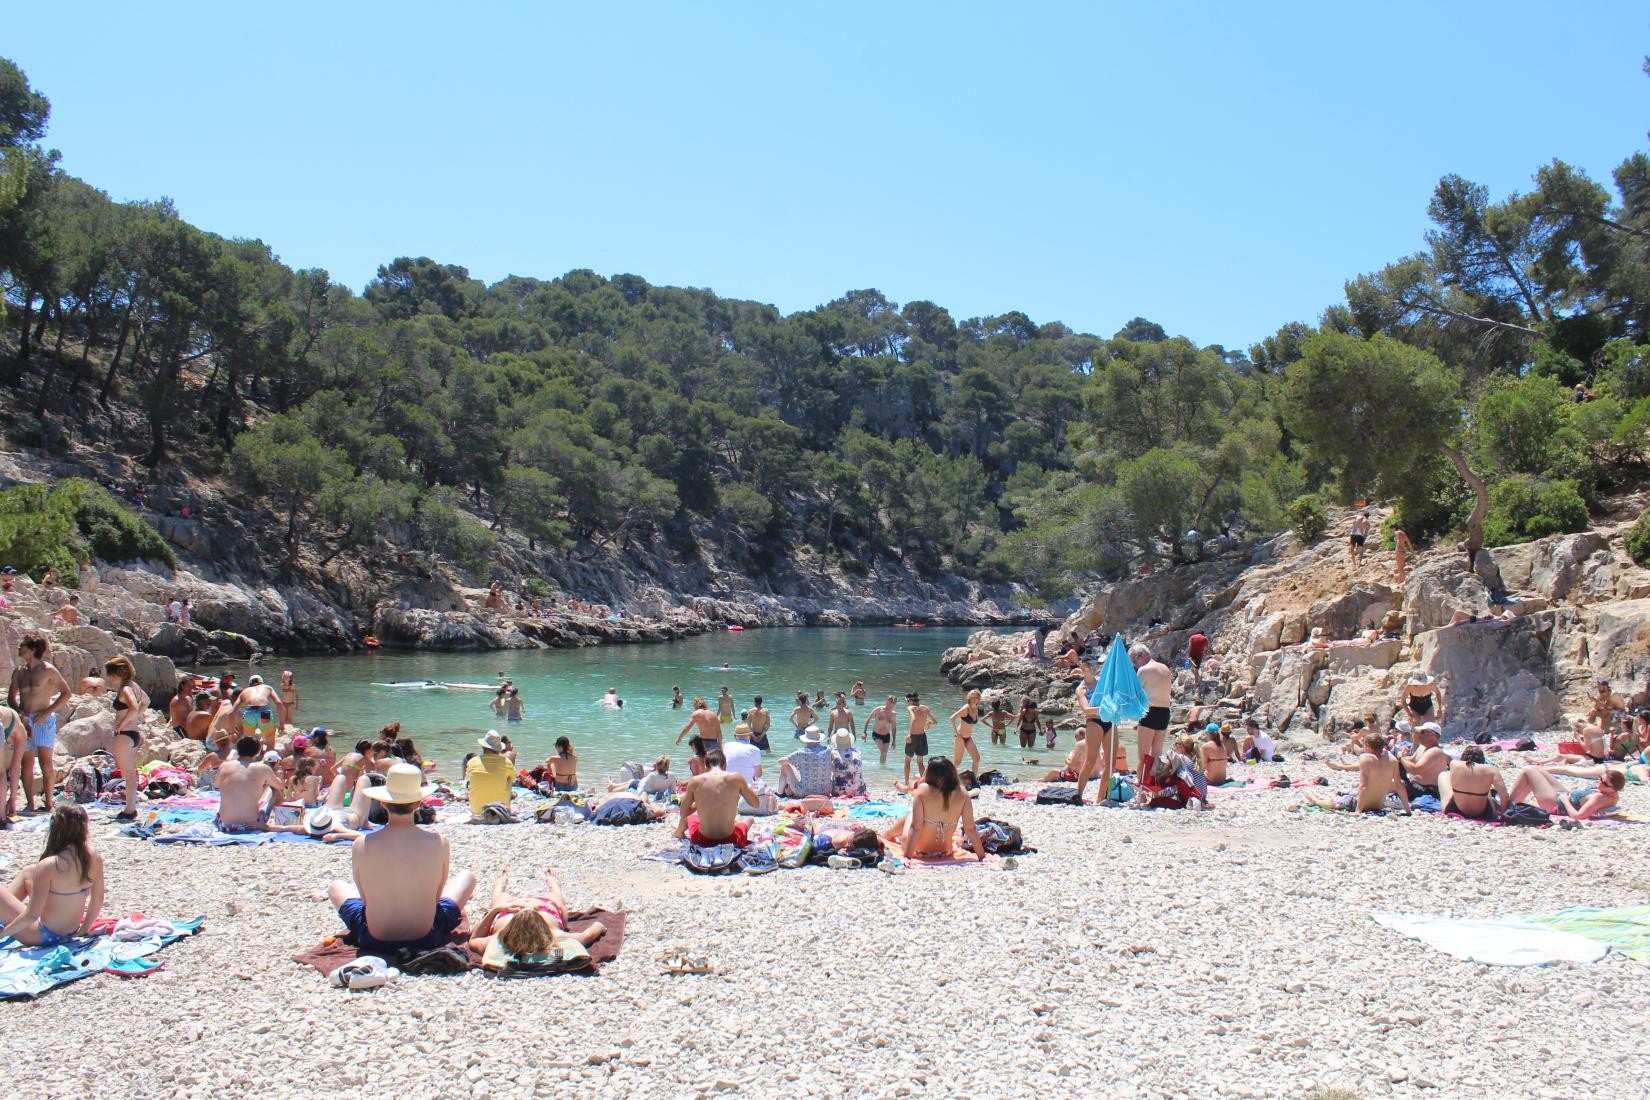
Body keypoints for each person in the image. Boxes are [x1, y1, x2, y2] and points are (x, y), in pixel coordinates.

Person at [328, 763, 477, 954]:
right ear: (418, 803)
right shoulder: (439, 842)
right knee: (467, 877)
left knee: (337, 886)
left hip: (373, 937)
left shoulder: (362, 843)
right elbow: (437, 897)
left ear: (382, 803)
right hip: (427, 935)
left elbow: (365, 899)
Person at [0, 804, 104, 946]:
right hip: (70, 933)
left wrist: (4, 933)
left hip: (43, 935)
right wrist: (84, 928)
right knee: (29, 872)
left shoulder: (50, 865)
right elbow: (98, 898)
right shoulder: (93, 855)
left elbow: (32, 915)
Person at [467, 868, 608, 970]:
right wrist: (599, 926)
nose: (528, 906)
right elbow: (589, 933)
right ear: (542, 925)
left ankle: (499, 884)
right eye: (535, 913)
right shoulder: (556, 935)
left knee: (499, 897)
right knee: (556, 896)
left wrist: (496, 911)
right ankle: (553, 884)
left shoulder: (498, 939)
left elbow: (473, 940)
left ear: (511, 928)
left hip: (506, 912)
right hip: (547, 907)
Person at [9, 633, 72, 815]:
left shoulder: (48, 670)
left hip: (43, 720)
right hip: (25, 720)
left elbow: (66, 693)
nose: (19, 648)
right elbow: (11, 697)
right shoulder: (19, 671)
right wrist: (19, 713)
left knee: (46, 762)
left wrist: (47, 712)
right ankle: (30, 803)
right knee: (25, 762)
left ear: (33, 649)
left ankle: (49, 802)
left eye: (23, 645)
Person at [883, 758, 987, 861]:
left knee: (911, 815)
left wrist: (907, 857)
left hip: (917, 852)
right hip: (945, 852)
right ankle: (889, 834)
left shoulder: (923, 790)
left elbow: (916, 827)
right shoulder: (962, 792)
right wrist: (982, 857)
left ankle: (888, 834)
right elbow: (970, 829)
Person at [675, 747, 760, 847]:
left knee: (689, 818)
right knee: (749, 820)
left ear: (706, 766)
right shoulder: (737, 778)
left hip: (702, 841)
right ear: (725, 765)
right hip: (731, 841)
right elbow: (756, 804)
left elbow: (683, 813)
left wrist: (699, 803)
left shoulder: (695, 781)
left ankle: (678, 833)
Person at [1309, 732, 1410, 813]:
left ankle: (1316, 799)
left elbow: (1363, 786)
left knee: (1318, 798)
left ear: (1368, 746)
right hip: (1378, 804)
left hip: (1361, 804)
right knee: (1344, 795)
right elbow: (1398, 784)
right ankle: (1322, 797)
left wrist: (1358, 811)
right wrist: (1407, 809)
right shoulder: (1392, 759)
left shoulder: (1366, 759)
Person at [101, 656, 150, 821]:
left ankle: (129, 810)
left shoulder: (125, 689)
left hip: (125, 735)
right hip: (134, 734)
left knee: (127, 775)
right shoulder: (134, 686)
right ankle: (130, 807)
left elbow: (134, 706)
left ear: (117, 673)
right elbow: (146, 702)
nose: (109, 678)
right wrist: (134, 717)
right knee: (130, 774)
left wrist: (122, 723)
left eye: (110, 674)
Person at [215, 736, 288, 832]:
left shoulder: (224, 766)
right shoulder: (262, 768)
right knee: (273, 789)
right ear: (258, 751)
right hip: (251, 825)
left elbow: (217, 785)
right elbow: (280, 785)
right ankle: (285, 817)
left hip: (224, 825)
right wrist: (279, 773)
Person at [1507, 765, 1624, 820]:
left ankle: (1506, 805)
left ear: (1613, 788)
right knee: (1536, 769)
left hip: (1557, 804)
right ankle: (1513, 803)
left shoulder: (1598, 798)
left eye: (1604, 783)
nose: (1600, 783)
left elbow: (1578, 816)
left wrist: (1565, 801)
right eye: (1600, 779)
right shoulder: (1613, 794)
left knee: (1528, 771)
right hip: (1564, 795)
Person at [1132, 644, 1172, 779]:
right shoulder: (1165, 668)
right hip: (1165, 713)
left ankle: (1141, 793)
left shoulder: (1144, 670)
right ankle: (1156, 792)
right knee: (1157, 757)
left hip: (1150, 712)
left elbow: (1135, 695)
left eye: (1134, 660)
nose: (1135, 664)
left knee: (1143, 757)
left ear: (1142, 655)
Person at [1436, 746, 1507, 820]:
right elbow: (1504, 796)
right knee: (1486, 786)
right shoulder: (1491, 769)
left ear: (1463, 758)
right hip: (1485, 813)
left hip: (1455, 809)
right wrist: (1503, 813)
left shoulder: (1454, 764)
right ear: (1482, 760)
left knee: (1443, 775)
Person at [466, 730, 516, 814]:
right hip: (500, 810)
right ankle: (501, 801)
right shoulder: (506, 762)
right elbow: (513, 778)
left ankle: (479, 802)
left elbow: (468, 780)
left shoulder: (472, 762)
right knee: (509, 778)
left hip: (476, 811)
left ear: (483, 746)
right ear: (499, 748)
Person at [1398, 722, 1449, 799]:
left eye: (1422, 732)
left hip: (1427, 791)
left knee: (1393, 784)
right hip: (1415, 785)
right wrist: (1401, 756)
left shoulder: (1435, 751)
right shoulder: (1422, 747)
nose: (1419, 735)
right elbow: (1412, 760)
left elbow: (1415, 770)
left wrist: (1401, 758)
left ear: (1432, 735)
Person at [779, 727, 835, 798]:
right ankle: (787, 790)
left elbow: (780, 761)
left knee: (785, 765)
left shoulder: (801, 752)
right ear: (819, 739)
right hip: (826, 792)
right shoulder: (828, 751)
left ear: (805, 740)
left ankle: (780, 793)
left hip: (805, 793)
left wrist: (792, 762)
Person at [234, 674, 282, 750]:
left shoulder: (245, 691)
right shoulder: (267, 687)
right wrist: (282, 724)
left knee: (249, 741)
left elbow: (233, 711)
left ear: (250, 684)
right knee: (269, 741)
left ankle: (250, 758)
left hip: (250, 713)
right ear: (262, 682)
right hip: (264, 712)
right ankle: (268, 757)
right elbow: (279, 703)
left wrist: (232, 728)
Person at [949, 689, 984, 776]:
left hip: (968, 738)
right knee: (957, 762)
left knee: (977, 758)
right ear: (969, 697)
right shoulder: (966, 708)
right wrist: (956, 733)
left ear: (979, 699)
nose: (975, 699)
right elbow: (952, 718)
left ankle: (974, 779)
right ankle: (945, 778)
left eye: (977, 697)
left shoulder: (976, 709)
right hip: (960, 737)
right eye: (973, 697)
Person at [904, 693, 936, 786]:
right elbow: (935, 721)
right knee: (920, 763)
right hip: (922, 737)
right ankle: (924, 784)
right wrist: (929, 723)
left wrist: (909, 734)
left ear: (910, 700)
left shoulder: (910, 708)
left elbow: (913, 719)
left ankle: (906, 784)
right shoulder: (925, 708)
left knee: (907, 761)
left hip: (913, 737)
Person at [830, 729, 867, 798]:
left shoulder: (833, 753)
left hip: (840, 792)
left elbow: (832, 769)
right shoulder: (858, 751)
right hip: (859, 791)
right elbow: (859, 765)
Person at [864, 695, 899, 766]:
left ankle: (882, 770)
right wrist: (864, 732)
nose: (891, 705)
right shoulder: (878, 709)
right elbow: (868, 720)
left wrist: (894, 741)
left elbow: (894, 727)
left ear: (895, 704)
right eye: (890, 702)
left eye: (893, 703)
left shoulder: (893, 714)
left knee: (884, 754)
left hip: (886, 736)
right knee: (883, 752)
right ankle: (882, 767)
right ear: (887, 701)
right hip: (876, 734)